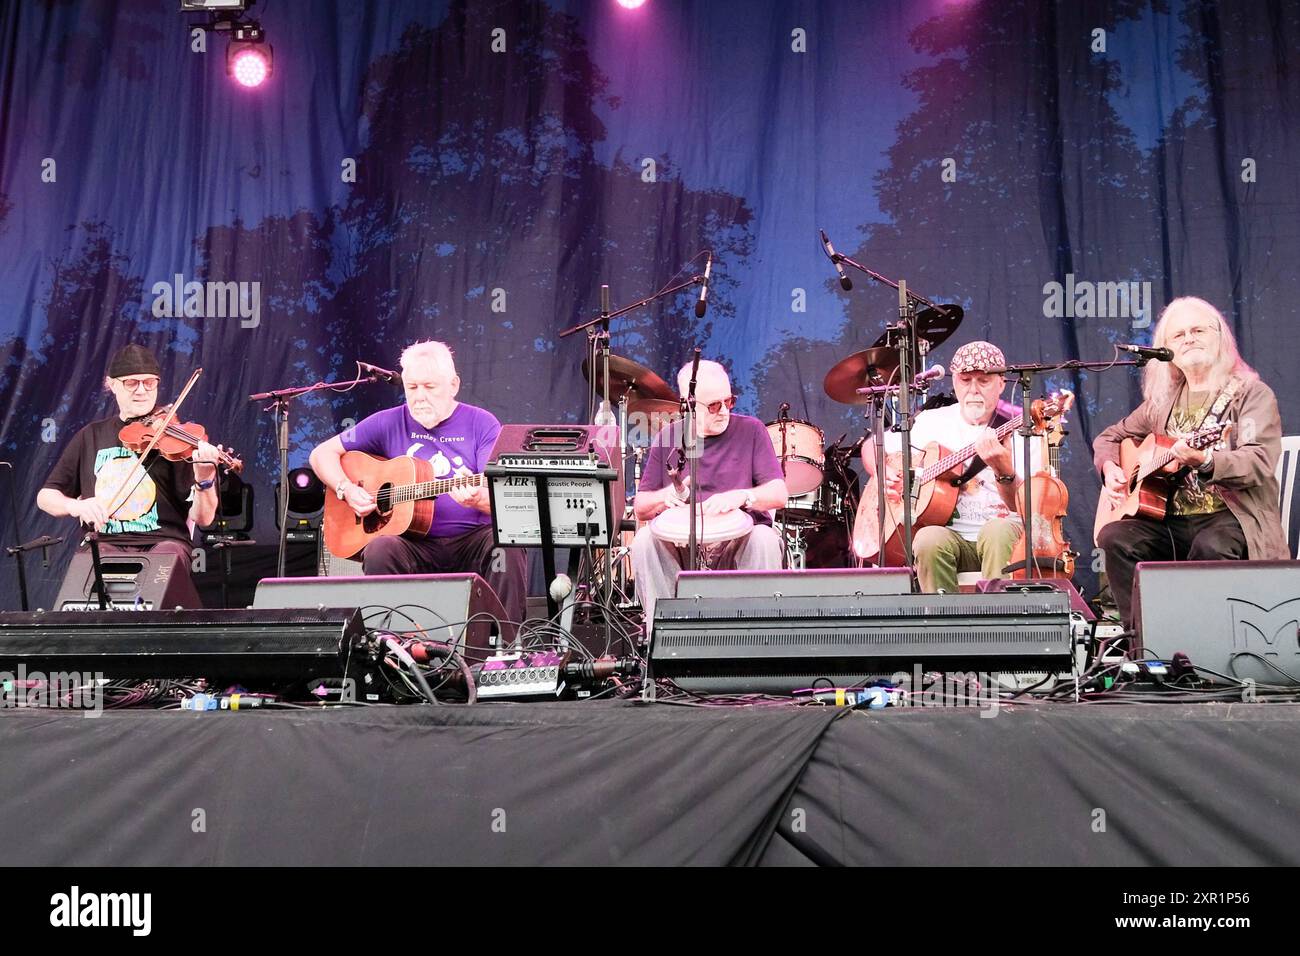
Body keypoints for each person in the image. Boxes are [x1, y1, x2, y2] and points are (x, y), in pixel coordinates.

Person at [1094, 296, 1288, 630]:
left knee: (1211, 546)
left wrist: (1208, 459)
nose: (1189, 338)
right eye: (1179, 335)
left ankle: (1205, 653)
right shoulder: (1162, 402)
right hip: (1168, 521)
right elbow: (1109, 438)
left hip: (1231, 518)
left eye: (1198, 330)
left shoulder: (1250, 395)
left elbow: (1258, 460)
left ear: (1220, 337)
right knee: (1115, 537)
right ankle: (1144, 648)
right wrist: (1111, 469)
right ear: (1165, 350)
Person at [308, 340, 527, 623]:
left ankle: (507, 653)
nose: (419, 397)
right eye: (412, 388)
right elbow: (321, 454)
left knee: (506, 544)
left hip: (472, 542)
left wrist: (478, 499)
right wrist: (346, 488)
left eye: (429, 387)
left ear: (453, 385)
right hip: (414, 545)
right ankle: (392, 649)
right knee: (379, 549)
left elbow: (499, 494)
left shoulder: (482, 423)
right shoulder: (387, 423)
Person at [37, 343, 224, 604]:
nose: (141, 391)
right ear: (112, 385)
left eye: (149, 383)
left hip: (163, 541)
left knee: (163, 567)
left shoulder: (176, 437)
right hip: (104, 540)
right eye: (131, 383)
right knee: (91, 568)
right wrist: (76, 506)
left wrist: (205, 478)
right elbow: (46, 497)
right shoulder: (91, 435)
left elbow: (203, 518)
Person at [863, 340, 1037, 593]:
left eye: (984, 381)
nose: (974, 390)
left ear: (1001, 383)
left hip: (1003, 535)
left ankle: (999, 624)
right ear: (954, 381)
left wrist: (1003, 470)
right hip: (951, 537)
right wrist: (883, 472)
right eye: (966, 380)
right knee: (927, 539)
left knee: (996, 532)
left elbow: (1024, 508)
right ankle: (942, 627)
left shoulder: (1022, 431)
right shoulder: (930, 422)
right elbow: (872, 446)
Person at [631, 359, 788, 623]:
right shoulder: (669, 437)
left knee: (765, 538)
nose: (724, 411)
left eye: (729, 401)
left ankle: (758, 638)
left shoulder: (751, 430)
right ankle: (665, 636)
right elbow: (641, 507)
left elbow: (779, 493)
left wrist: (743, 496)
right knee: (644, 542)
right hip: (682, 545)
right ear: (689, 406)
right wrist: (665, 497)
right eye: (714, 405)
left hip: (737, 542)